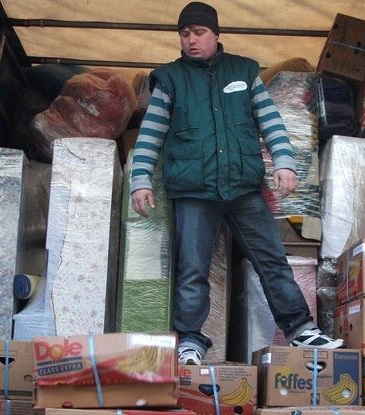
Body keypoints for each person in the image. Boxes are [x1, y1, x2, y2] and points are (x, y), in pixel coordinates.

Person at [130, 1, 344, 365]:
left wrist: (284, 162)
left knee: (272, 260)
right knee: (192, 269)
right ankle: (190, 341)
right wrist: (140, 180)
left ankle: (301, 330)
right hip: (194, 191)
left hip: (243, 188)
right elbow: (151, 133)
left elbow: (270, 121)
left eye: (199, 32)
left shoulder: (244, 72)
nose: (191, 40)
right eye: (185, 34)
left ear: (216, 34)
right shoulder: (170, 79)